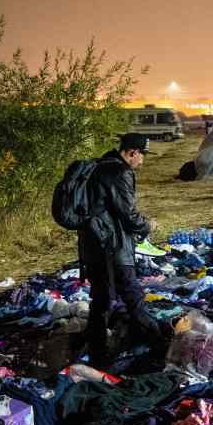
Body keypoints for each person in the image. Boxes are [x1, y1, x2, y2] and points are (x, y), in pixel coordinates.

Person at [78, 133, 158, 366]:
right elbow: (129, 215)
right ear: (132, 152)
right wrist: (148, 224)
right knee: (133, 297)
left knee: (101, 302)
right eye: (142, 156)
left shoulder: (97, 166)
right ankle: (160, 342)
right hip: (113, 247)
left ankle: (98, 354)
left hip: (92, 244)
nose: (142, 162)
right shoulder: (120, 172)